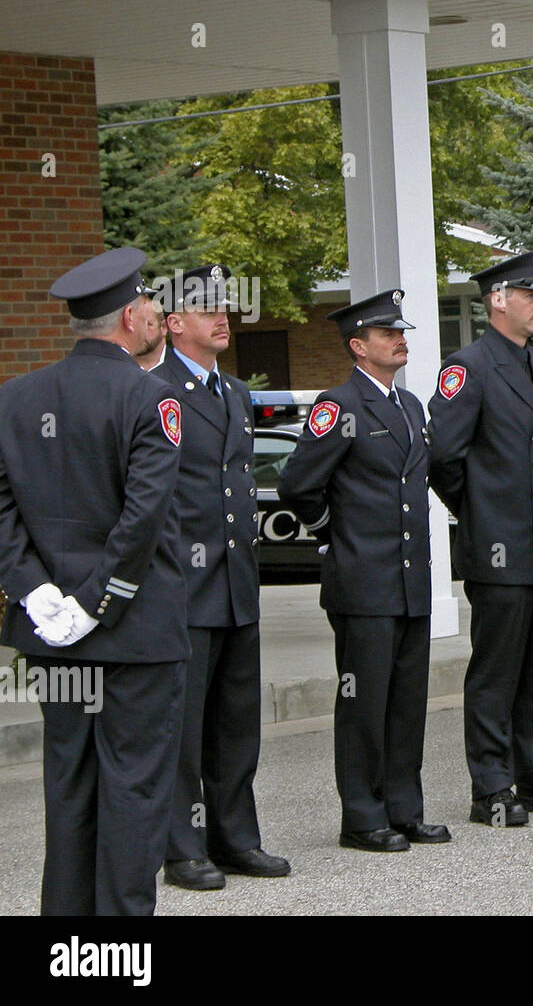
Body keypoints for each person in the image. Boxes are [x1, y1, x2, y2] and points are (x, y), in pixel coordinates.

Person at [0, 247, 189, 915]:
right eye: (153, 307)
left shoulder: (16, 397)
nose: (159, 317)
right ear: (131, 315)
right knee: (134, 794)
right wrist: (94, 602)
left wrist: (35, 591)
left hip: (53, 637)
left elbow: (3, 508)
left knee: (70, 789)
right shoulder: (151, 397)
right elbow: (142, 518)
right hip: (133, 635)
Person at [428, 251, 533, 827]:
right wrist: (482, 515)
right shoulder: (467, 367)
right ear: (498, 299)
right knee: (497, 671)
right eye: (531, 294)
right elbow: (444, 458)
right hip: (498, 547)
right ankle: (493, 786)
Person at [278, 289, 450, 852]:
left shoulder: (410, 407)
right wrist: (338, 533)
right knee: (363, 701)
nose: (401, 340)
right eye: (387, 333)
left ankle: (405, 808)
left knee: (406, 701)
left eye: (401, 332)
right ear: (358, 345)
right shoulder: (340, 405)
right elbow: (298, 485)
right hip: (363, 582)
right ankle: (362, 815)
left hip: (408, 580)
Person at [154, 264, 289, 890]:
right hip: (186, 585)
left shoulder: (233, 394)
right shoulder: (155, 391)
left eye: (224, 307)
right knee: (184, 728)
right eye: (207, 308)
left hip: (236, 582)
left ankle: (236, 837)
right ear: (174, 322)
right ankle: (183, 847)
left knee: (237, 723)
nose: (222, 317)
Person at [133, 296, 168, 371]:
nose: (140, 331)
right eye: (134, 324)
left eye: (148, 324)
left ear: (164, 327)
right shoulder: (117, 368)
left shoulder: (181, 366)